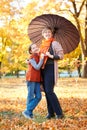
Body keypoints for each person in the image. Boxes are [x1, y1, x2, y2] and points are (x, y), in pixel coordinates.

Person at [40, 27, 64, 119]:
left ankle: (59, 113)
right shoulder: (42, 45)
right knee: (47, 92)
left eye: (48, 32)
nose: (47, 33)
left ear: (51, 33)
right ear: (43, 34)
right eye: (45, 32)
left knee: (49, 91)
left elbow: (61, 56)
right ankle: (51, 113)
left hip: (50, 68)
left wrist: (51, 56)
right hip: (43, 69)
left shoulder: (54, 43)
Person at [22, 43, 44, 119]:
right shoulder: (31, 58)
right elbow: (37, 67)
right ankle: (29, 113)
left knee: (38, 96)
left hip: (37, 79)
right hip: (31, 78)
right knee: (30, 96)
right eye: (33, 48)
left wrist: (41, 57)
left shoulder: (38, 55)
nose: (35, 48)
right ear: (31, 51)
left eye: (36, 47)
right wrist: (42, 59)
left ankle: (27, 111)